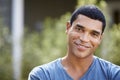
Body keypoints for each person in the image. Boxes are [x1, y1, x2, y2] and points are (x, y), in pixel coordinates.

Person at [28, 5, 120, 80]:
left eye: (94, 34)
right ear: (68, 27)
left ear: (100, 38)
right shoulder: (42, 75)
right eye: (79, 29)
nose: (84, 39)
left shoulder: (113, 75)